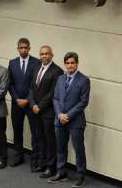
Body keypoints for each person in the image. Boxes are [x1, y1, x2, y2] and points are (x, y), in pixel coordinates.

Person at [48, 52, 90, 188]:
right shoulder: (60, 79)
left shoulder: (84, 80)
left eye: (72, 63)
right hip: (59, 120)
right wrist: (60, 114)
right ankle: (61, 173)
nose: (70, 65)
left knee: (78, 149)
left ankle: (80, 175)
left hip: (76, 121)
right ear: (65, 64)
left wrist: (68, 115)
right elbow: (55, 98)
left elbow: (83, 102)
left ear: (77, 63)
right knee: (60, 148)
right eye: (67, 63)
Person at [28, 45, 63, 178]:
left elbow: (52, 93)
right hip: (35, 110)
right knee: (39, 137)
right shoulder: (36, 67)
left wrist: (39, 106)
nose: (44, 56)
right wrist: (32, 104)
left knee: (50, 140)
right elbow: (31, 88)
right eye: (42, 54)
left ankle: (51, 167)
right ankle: (42, 163)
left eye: (47, 54)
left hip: (47, 112)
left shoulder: (57, 71)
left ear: (52, 55)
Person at [8, 38, 40, 169]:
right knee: (17, 130)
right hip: (16, 104)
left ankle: (35, 159)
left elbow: (36, 85)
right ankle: (18, 156)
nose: (23, 50)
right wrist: (16, 99)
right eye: (21, 48)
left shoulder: (36, 63)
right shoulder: (12, 63)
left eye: (26, 48)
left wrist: (27, 100)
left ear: (29, 48)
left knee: (35, 132)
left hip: (31, 103)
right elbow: (10, 84)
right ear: (18, 49)